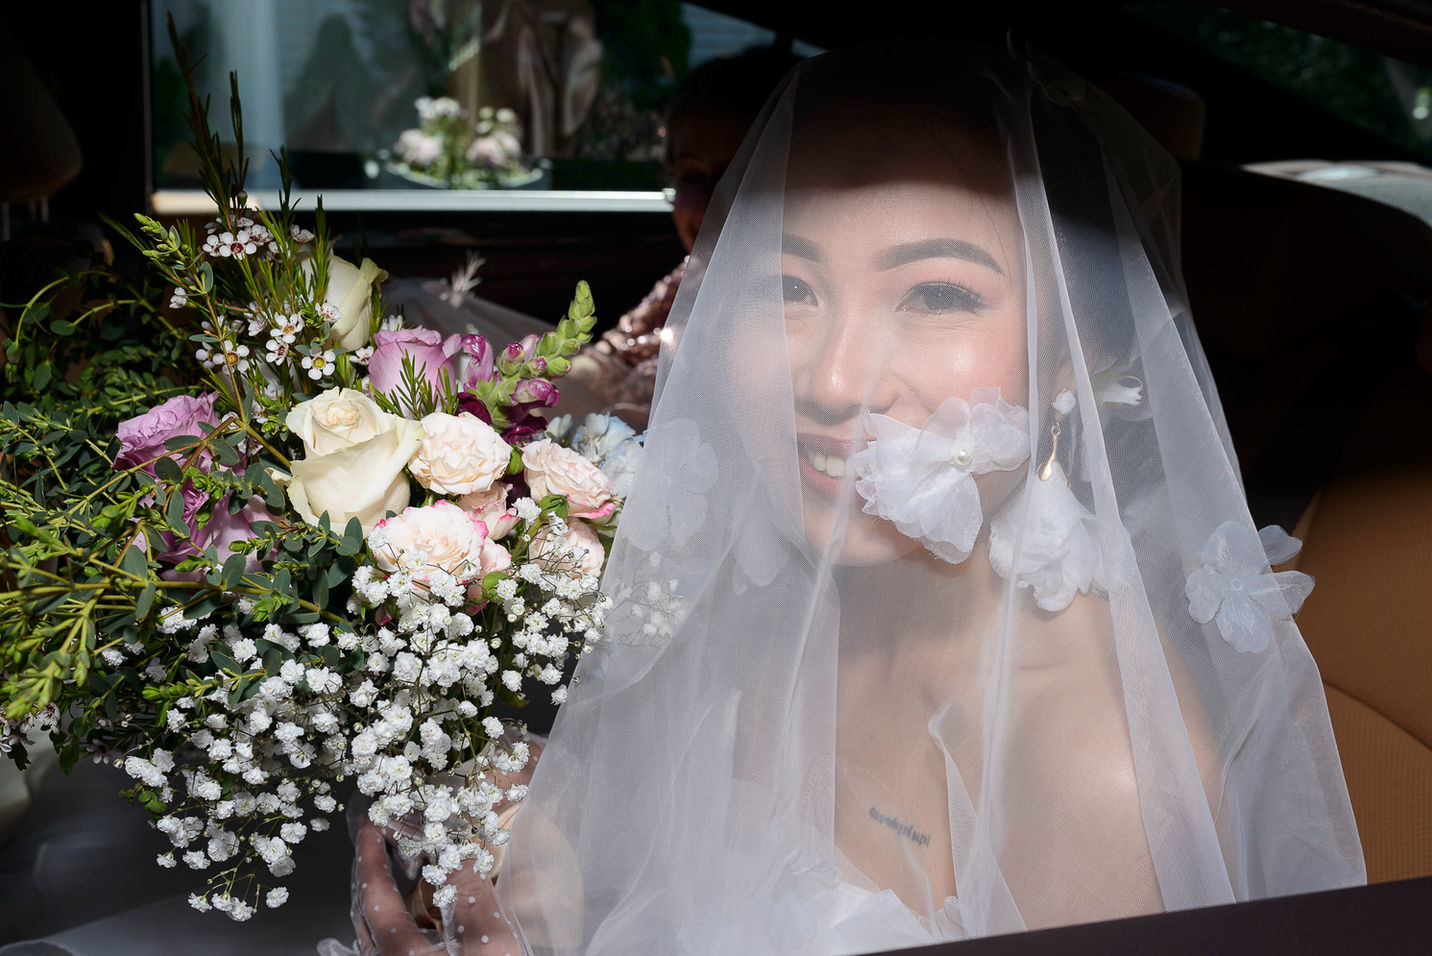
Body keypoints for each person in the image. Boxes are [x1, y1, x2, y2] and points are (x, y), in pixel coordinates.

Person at [342, 38, 1365, 956]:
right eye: (785, 286)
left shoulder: (1101, 781)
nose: (831, 379)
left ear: (1077, 353)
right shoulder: (752, 611)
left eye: (935, 295)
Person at [566, 45, 802, 429]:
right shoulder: (692, 273)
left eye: (740, 177)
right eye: (693, 176)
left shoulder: (782, 305)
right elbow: (616, 349)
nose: (711, 203)